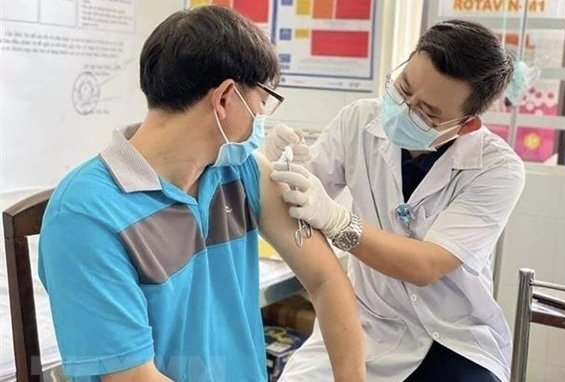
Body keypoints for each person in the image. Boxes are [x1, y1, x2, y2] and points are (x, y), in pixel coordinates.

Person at [38, 6, 365, 382]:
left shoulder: (240, 170)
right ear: (225, 98)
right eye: (262, 101)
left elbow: (326, 279)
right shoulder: (86, 215)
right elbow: (133, 377)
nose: (263, 116)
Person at [264, 19, 525, 382]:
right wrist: (279, 165)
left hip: (452, 337)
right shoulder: (358, 121)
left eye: (428, 113)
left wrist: (340, 222)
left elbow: (425, 266)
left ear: (467, 125)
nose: (405, 109)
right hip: (365, 321)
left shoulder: (497, 170)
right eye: (404, 89)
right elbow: (296, 201)